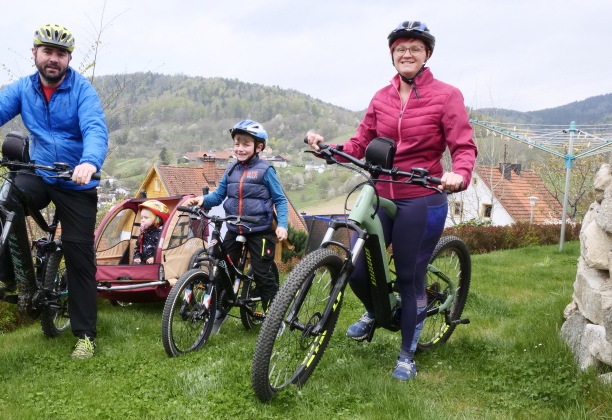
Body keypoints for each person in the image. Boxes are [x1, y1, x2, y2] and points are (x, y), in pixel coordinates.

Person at [306, 20, 477, 381]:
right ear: (392, 54)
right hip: (381, 193)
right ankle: (376, 312)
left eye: (415, 48)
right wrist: (328, 150)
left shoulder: (447, 95)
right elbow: (360, 143)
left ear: (427, 54)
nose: (407, 53)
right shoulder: (381, 98)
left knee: (410, 279)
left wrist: (458, 174)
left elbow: (463, 146)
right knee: (355, 266)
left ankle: (406, 354)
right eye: (401, 48)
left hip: (422, 196)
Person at [0, 23, 109, 360]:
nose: (53, 59)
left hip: (76, 179)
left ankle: (85, 335)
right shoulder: (24, 89)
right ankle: (9, 276)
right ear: (35, 54)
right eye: (47, 52)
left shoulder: (82, 91)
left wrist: (88, 162)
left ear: (68, 59)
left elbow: (95, 128)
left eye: (60, 54)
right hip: (39, 172)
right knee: (5, 200)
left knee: (78, 257)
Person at [183, 120, 289, 333]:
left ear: (258, 147)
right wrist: (201, 201)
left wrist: (283, 225)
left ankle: (274, 319)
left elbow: (280, 200)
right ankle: (220, 310)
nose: (240, 148)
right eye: (237, 143)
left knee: (262, 274)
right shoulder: (231, 169)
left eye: (245, 144)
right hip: (233, 227)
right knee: (222, 269)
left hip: (259, 230)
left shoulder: (265, 170)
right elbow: (219, 195)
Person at [133, 200, 169, 265]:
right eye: (142, 218)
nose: (142, 220)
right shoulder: (143, 233)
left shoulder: (161, 234)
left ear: (157, 220)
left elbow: (165, 251)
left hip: (155, 264)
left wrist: (154, 258)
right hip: (143, 263)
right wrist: (137, 256)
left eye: (146, 218)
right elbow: (138, 247)